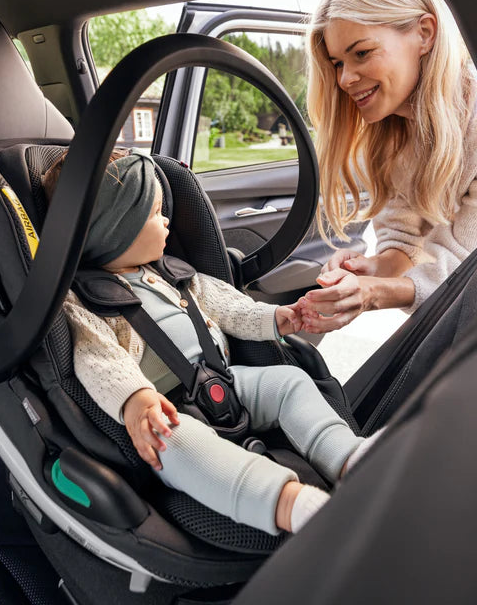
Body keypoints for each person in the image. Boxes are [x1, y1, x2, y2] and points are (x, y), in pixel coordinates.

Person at [43, 149, 375, 536]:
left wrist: (274, 319)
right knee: (173, 445)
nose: (167, 219)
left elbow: (230, 307)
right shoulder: (85, 302)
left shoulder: (176, 276)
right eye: (154, 214)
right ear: (117, 229)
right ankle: (289, 503)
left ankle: (349, 456)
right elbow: (98, 359)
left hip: (227, 380)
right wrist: (135, 401)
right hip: (169, 410)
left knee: (289, 382)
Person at [299, 0, 477, 335]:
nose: (346, 78)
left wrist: (372, 293)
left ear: (425, 33)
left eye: (361, 53)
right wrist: (374, 268)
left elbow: (465, 269)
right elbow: (404, 239)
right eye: (337, 62)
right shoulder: (392, 135)